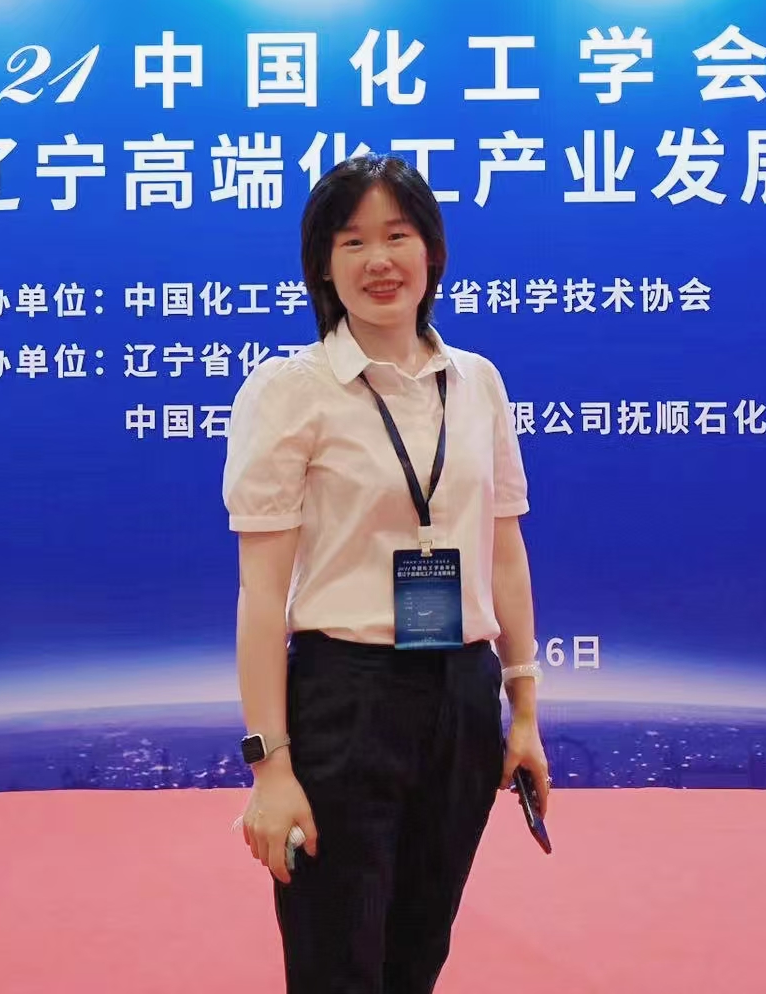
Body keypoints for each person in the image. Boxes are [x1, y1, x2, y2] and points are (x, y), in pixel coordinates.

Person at [223, 154, 548, 992]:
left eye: (397, 236)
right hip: (347, 697)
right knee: (335, 962)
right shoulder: (289, 389)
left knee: (417, 953)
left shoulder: (477, 383)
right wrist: (270, 767)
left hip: (461, 696)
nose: (379, 260)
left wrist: (522, 710)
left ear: (431, 252)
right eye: (352, 241)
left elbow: (503, 551)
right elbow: (262, 594)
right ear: (323, 266)